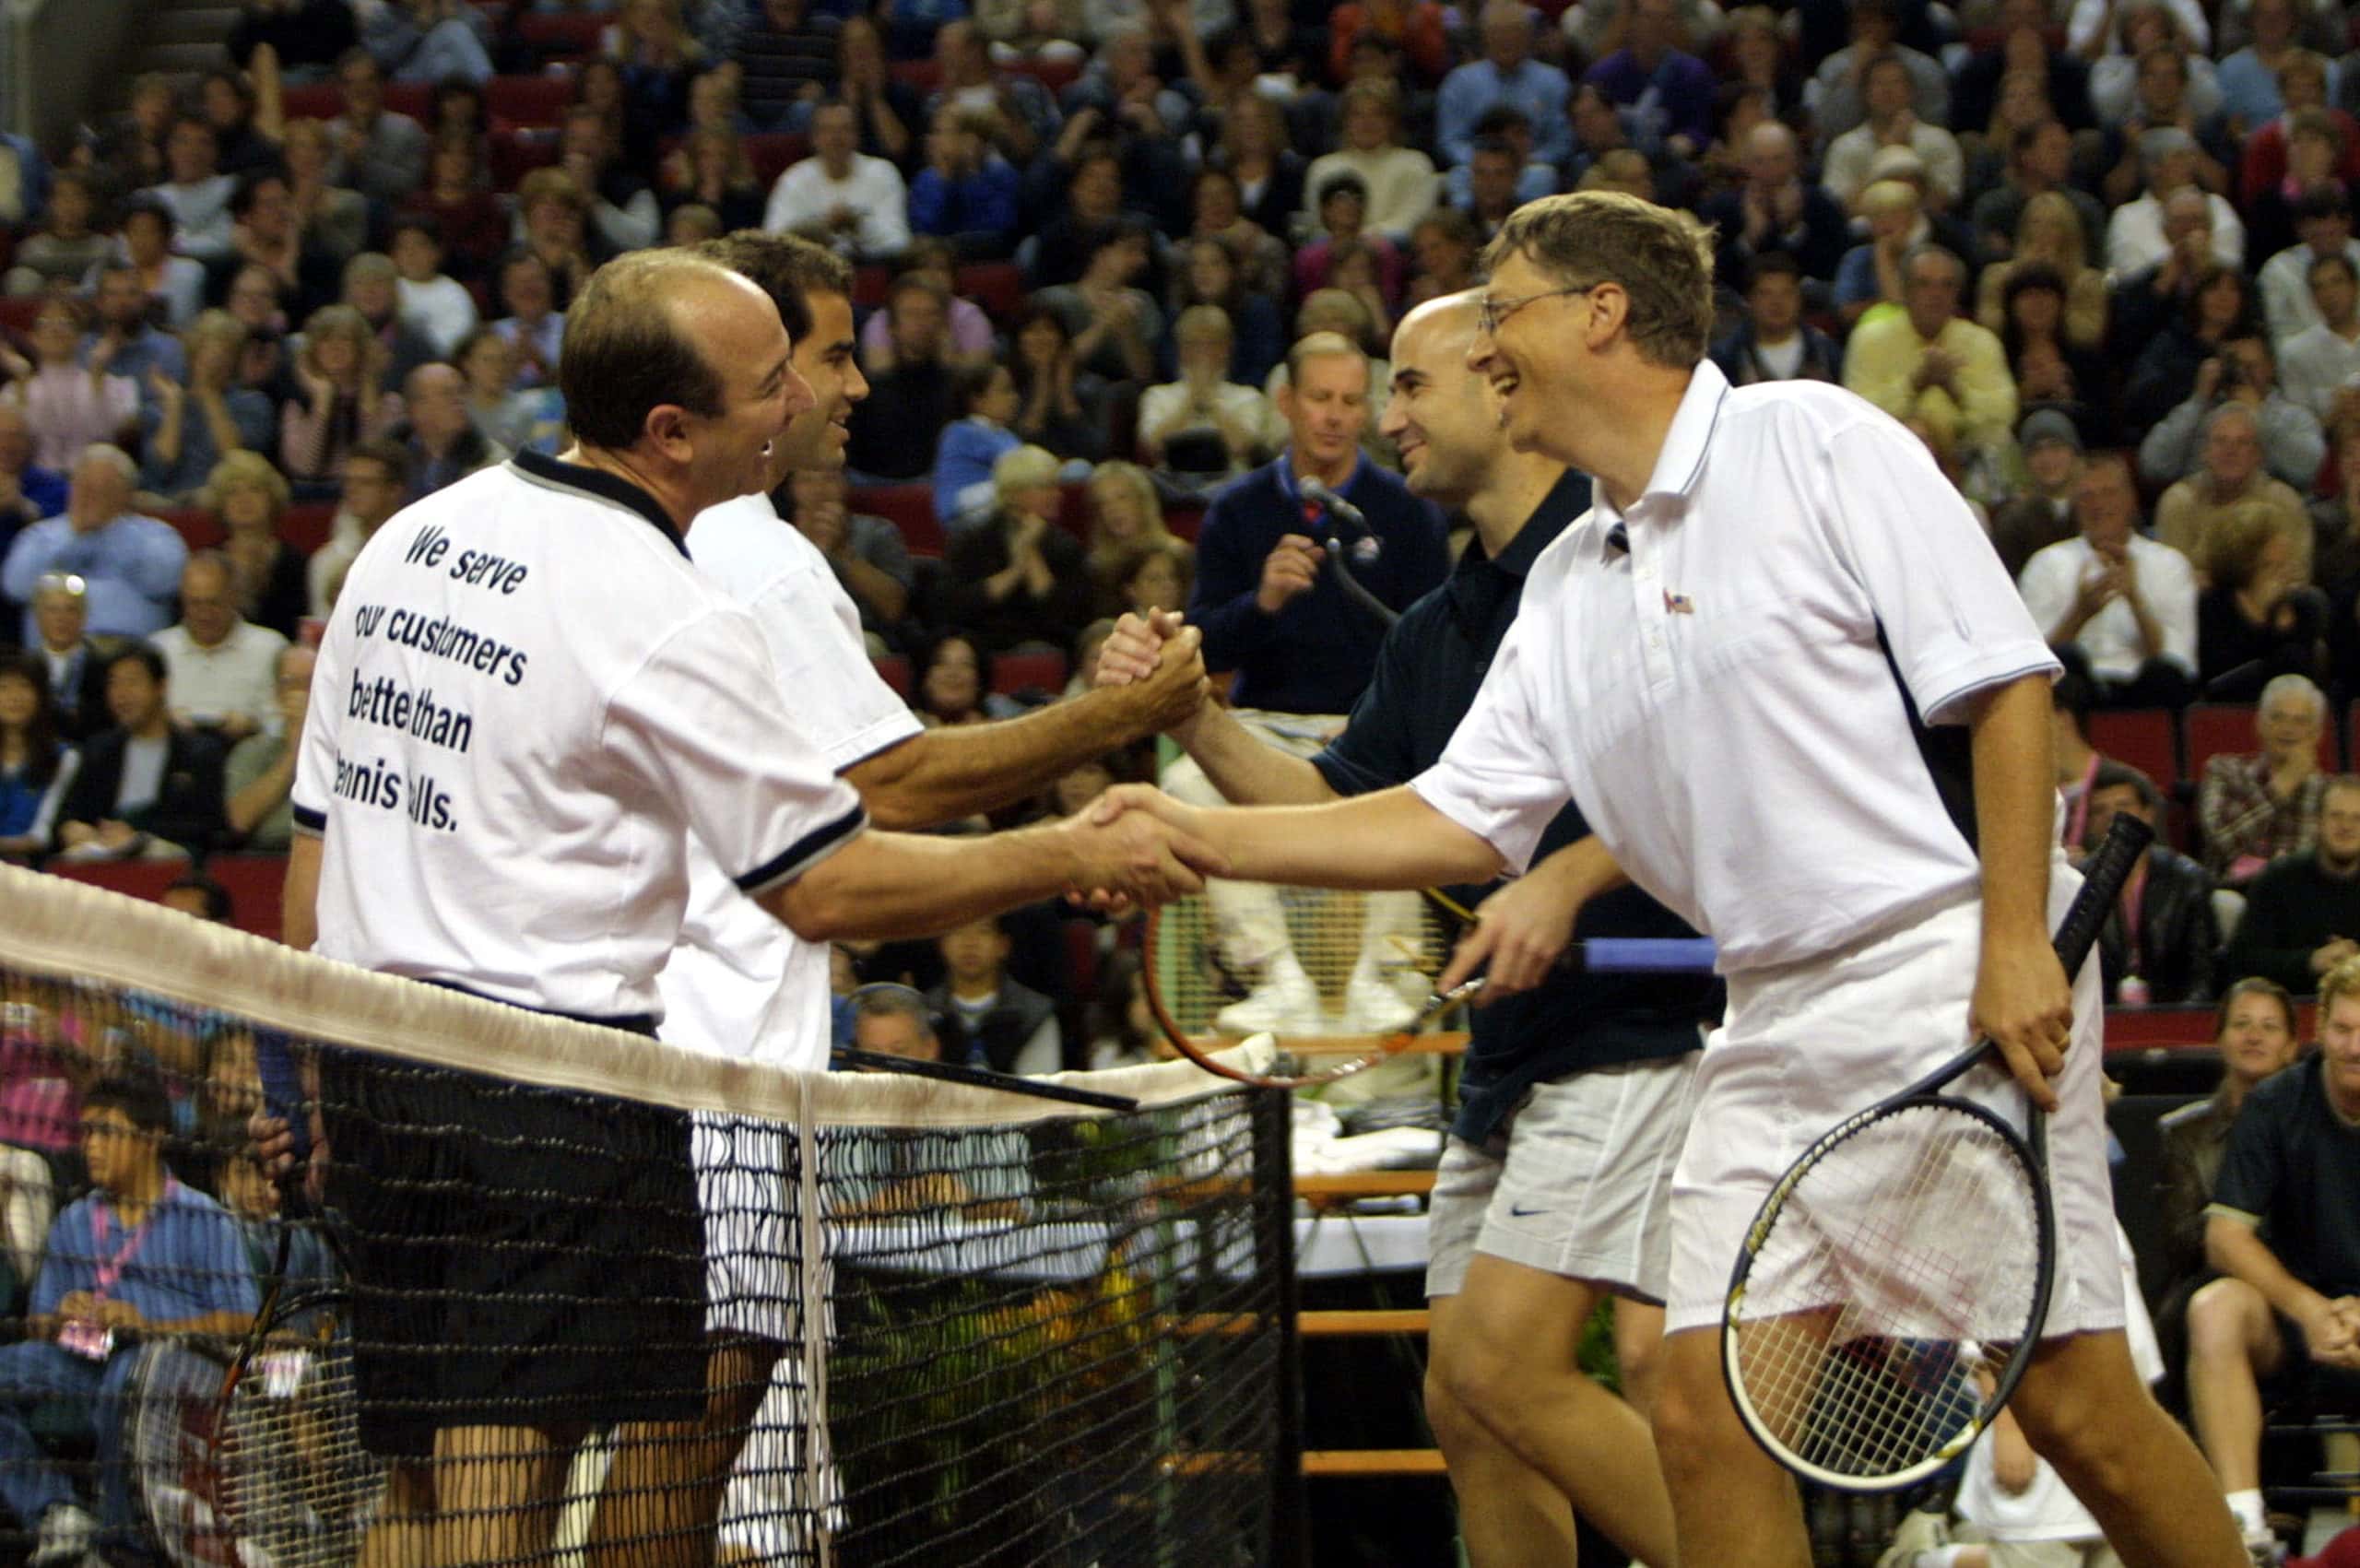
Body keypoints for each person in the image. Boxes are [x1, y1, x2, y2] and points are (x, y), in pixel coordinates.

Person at [1086, 190, 2254, 1568]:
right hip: (1763, 1018)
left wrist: (2011, 941)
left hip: (1938, 966)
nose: (1486, 346)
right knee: (1698, 1407)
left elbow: (2006, 688)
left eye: (1501, 310)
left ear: (1602, 311)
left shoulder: (1812, 436)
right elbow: (1452, 820)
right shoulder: (1571, 580)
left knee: (2073, 1403)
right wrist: (1189, 837)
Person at [277, 243, 1214, 1566]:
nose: (805, 403)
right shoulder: (668, 606)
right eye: (774, 382)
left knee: (427, 1499)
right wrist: (1068, 848)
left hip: (379, 1080)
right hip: (542, 1101)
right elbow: (831, 878)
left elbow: (316, 857)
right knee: (506, 1497)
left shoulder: (411, 538)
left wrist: (316, 1085)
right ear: (672, 431)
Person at [570, 230, 1211, 1568]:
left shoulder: (616, 532)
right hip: (720, 1075)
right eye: (831, 353)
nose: (855, 386)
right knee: (703, 1460)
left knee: (669, 1464)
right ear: (759, 373)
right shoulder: (749, 549)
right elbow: (898, 783)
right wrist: (1115, 721)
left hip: (650, 1058)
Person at [1100, 288, 1711, 1568]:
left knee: (1506, 1374)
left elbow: (1719, 746)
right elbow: (1346, 813)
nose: (1384, 422)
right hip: (1513, 1051)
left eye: (1409, 388)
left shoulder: (1623, 558)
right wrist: (1191, 727)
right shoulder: (1445, 624)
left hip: (1641, 1030)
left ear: (1504, 387)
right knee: (1468, 1406)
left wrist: (1568, 878)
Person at [1177, 328, 1448, 1031]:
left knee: (1413, 781)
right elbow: (1201, 644)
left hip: (1369, 725)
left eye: (1351, 401)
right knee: (1184, 786)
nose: (1334, 415)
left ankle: (1389, 974)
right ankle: (1270, 973)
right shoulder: (1238, 511)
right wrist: (1261, 601)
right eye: (1321, 398)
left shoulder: (1406, 509)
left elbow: (1440, 639)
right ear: (1288, 403)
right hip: (1263, 725)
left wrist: (1382, 722)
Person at [0, 1075, 256, 1567]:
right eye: (87, 1133)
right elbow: (38, 1324)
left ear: (153, 1137)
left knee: (128, 1380)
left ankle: (122, 1549)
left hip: (171, 1371)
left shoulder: (204, 1218)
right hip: (79, 1364)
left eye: (106, 1132)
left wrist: (149, 1324)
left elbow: (243, 1321)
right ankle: (58, 1512)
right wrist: (61, 1316)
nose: (91, 1146)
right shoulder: (75, 1218)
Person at [2189, 952, 2360, 1556]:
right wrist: (2310, 1309)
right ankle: (2245, 1527)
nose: (2354, 1046)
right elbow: (2224, 1235)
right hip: (2293, 1320)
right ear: (2320, 1032)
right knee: (2214, 1308)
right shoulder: (2275, 1103)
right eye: (2342, 1028)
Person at [2016, 453, 2201, 710]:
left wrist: (2135, 599)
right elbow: (2033, 665)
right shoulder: (2046, 564)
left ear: (2131, 500)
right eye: (2087, 496)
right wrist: (2080, 613)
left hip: (2143, 691)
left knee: (2164, 675)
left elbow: (2180, 663)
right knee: (2067, 661)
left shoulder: (2169, 564)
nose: (2098, 505)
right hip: (2078, 692)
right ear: (2075, 505)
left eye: (2109, 493)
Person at [2156, 978, 2300, 1295]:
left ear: (2291, 1047)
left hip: (2300, 1286)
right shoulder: (2182, 1132)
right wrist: (2243, 1228)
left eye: (2270, 1027)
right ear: (2219, 1039)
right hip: (2209, 1285)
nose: (2254, 1037)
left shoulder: (2310, 1126)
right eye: (2241, 1024)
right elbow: (2181, 1246)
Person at [53, 643, 228, 861]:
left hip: (165, 855)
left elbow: (210, 825)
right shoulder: (98, 749)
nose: (121, 695)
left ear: (161, 687)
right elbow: (68, 814)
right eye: (113, 684)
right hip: (103, 851)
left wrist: (138, 835)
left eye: (132, 683)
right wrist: (73, 828)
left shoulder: (199, 751)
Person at [2, 447, 187, 646]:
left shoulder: (156, 535)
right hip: (55, 659)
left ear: (128, 494)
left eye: (105, 489)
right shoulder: (40, 536)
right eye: (84, 486)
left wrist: (112, 532)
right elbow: (16, 587)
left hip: (130, 660)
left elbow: (164, 583)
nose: (91, 496)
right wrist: (73, 537)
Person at [2083, 760, 2220, 1005]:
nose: (2112, 818)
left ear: (2148, 814)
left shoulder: (2187, 881)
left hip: (2175, 1017)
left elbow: (2203, 975)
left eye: (2123, 806)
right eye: (2099, 810)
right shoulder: (2078, 883)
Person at [939, 445, 1097, 655]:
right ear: (1014, 493)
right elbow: (955, 608)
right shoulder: (972, 539)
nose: (1057, 495)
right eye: (1046, 487)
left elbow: (1066, 618)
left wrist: (1031, 552)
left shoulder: (1065, 546)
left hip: (1047, 647)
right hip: (981, 647)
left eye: (1056, 487)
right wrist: (1016, 571)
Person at [2217, 775, 2360, 995]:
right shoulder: (2276, 880)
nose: (2346, 827)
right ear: (2318, 822)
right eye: (2336, 816)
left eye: (2357, 818)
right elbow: (2243, 960)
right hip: (2289, 1011)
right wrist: (2311, 961)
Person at [2197, 673, 2330, 888]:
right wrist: (2282, 785)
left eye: (2300, 721)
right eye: (2277, 717)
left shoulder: (2329, 792)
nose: (2288, 728)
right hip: (2236, 895)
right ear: (2259, 723)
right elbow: (2222, 842)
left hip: (2305, 900)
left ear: (2317, 733)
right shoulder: (2225, 771)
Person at [151, 550, 289, 742]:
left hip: (247, 753)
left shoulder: (270, 647)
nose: (204, 614)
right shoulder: (159, 649)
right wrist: (165, 721)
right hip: (176, 753)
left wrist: (253, 724)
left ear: (234, 598)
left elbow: (285, 721)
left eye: (213, 603)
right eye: (195, 604)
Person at [2196, 503, 2326, 702]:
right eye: (2270, 567)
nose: (2284, 575)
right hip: (2228, 711)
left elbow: (2305, 676)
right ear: (2243, 565)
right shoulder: (2211, 605)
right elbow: (2217, 676)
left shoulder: (2303, 609)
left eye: (2285, 564)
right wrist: (2260, 618)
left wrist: (2281, 626)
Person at [223, 643, 314, 852]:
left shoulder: (351, 750)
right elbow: (239, 820)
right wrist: (294, 753)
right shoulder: (251, 750)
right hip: (266, 854)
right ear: (277, 694)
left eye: (309, 682)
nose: (301, 694)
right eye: (291, 683)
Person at [305, 441, 410, 619]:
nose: (352, 490)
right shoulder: (327, 560)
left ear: (395, 490)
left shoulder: (416, 555)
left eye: (366, 483)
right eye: (348, 482)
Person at [0, 651, 76, 862]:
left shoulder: (63, 758)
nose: (14, 697)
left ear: (41, 696)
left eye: (24, 686)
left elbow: (41, 836)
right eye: (4, 687)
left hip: (32, 870)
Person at [18, 574, 107, 742]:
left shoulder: (103, 666)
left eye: (71, 610)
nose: (61, 619)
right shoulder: (24, 668)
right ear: (38, 618)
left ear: (84, 617)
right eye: (52, 610)